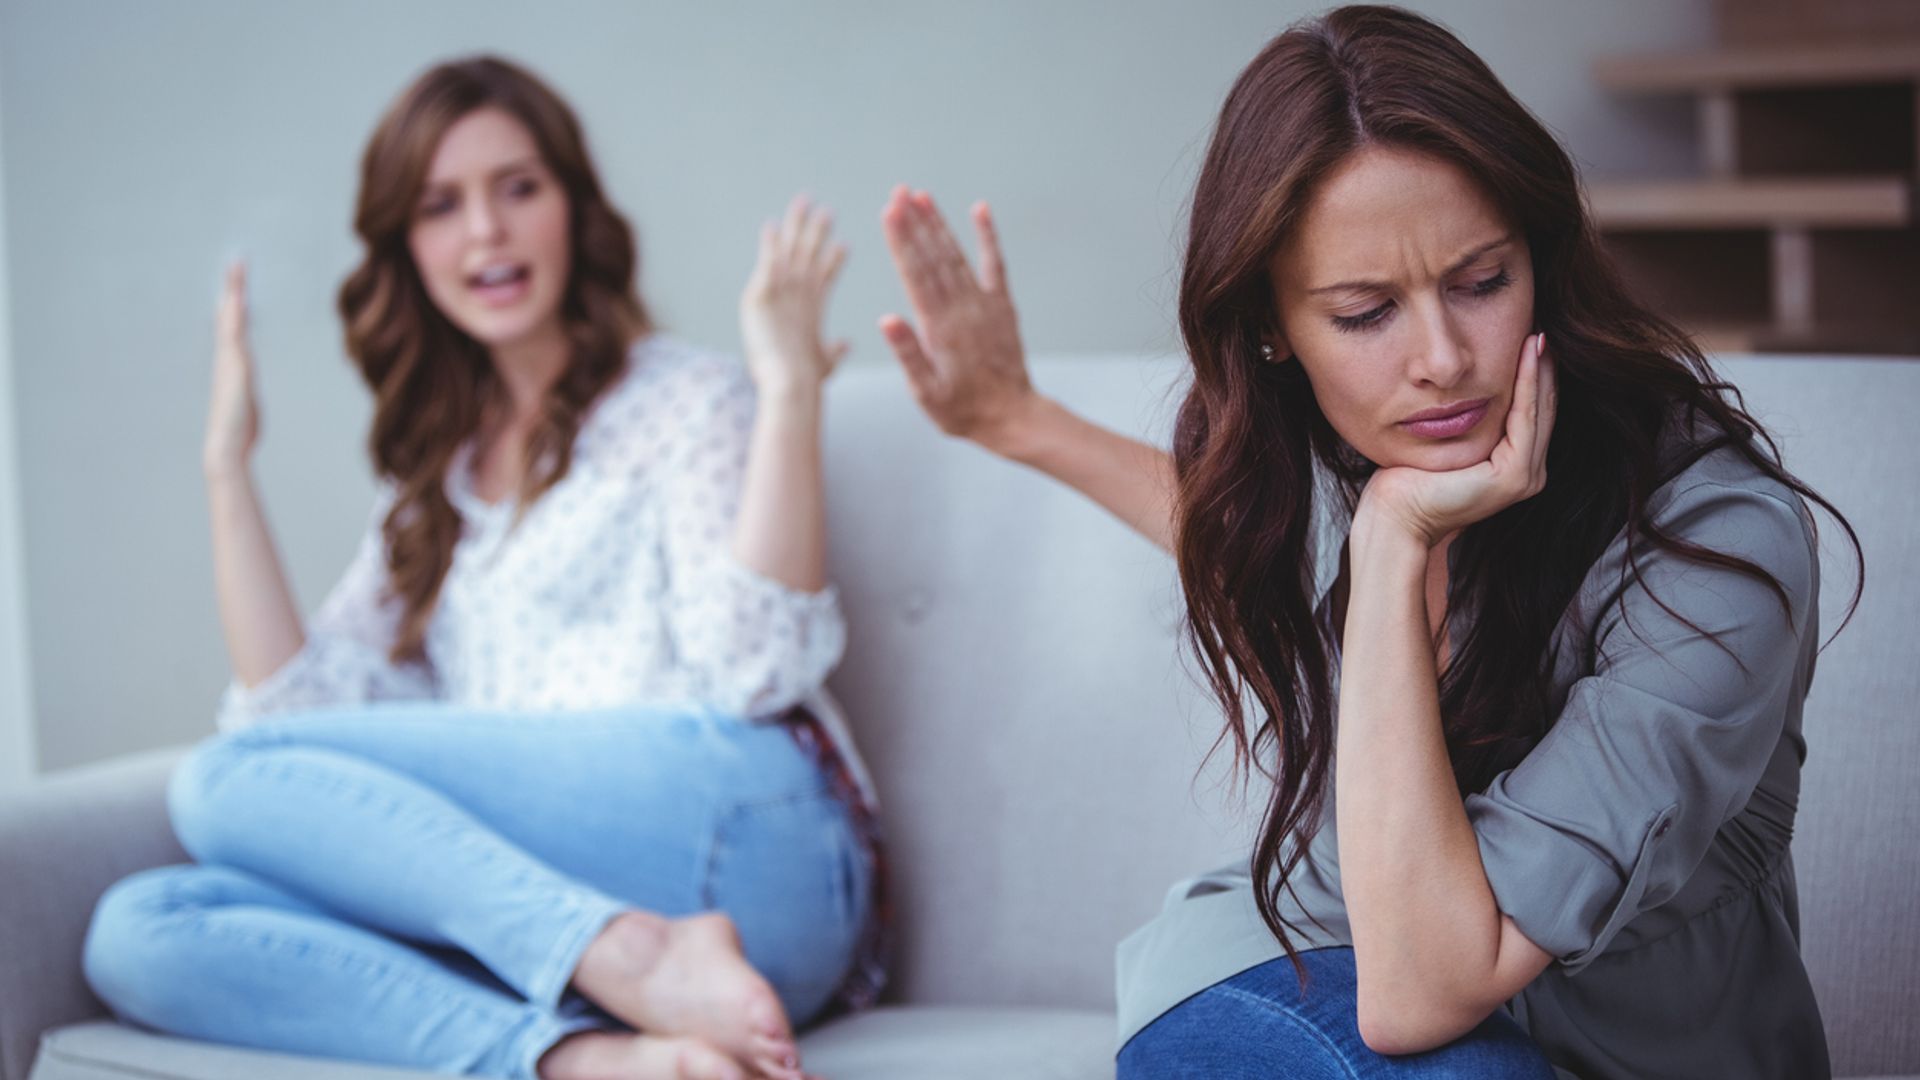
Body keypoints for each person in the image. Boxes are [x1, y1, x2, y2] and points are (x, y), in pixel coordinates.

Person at [874, 7, 1858, 1078]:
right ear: (1271, 329)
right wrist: (1020, 423)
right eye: (1364, 313)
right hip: (1288, 978)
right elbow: (1226, 529)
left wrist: (1390, 544)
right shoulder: (1365, 473)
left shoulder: (1716, 546)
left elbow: (1428, 986)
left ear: (1542, 260)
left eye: (1481, 282)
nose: (1443, 359)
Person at [82, 55, 879, 1080]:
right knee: (140, 926)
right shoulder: (433, 483)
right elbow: (295, 717)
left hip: (759, 853)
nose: (486, 234)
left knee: (221, 780)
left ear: (574, 212)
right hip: (565, 911)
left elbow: (754, 673)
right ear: (405, 248)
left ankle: (625, 952)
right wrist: (226, 471)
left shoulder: (685, 400)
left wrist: (786, 393)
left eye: (518, 189)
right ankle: (577, 1057)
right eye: (440, 206)